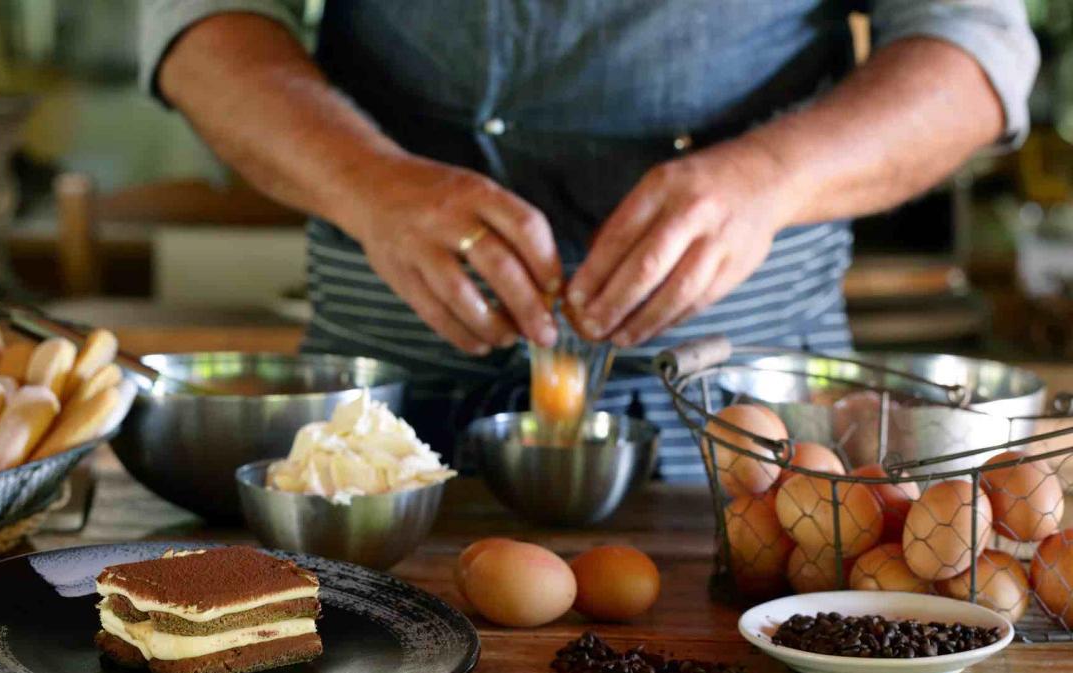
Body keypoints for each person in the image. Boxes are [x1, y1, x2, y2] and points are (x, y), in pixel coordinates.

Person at [140, 0, 1038, 480]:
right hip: (377, 428)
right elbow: (202, 24)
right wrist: (364, 181)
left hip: (751, 428)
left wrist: (775, 176)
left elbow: (973, 49)